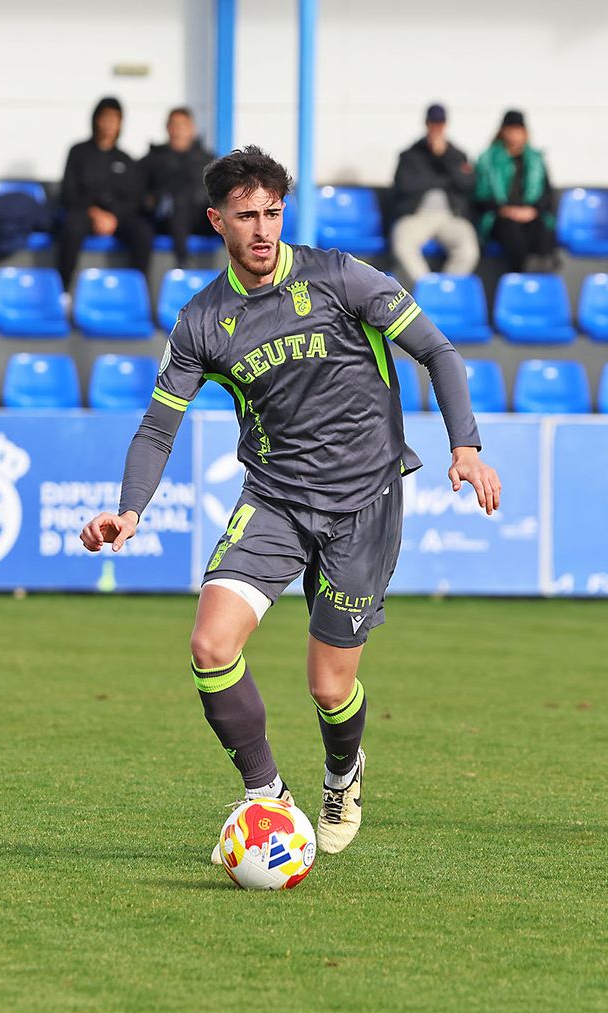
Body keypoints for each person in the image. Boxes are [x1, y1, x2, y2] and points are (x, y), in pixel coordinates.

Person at [77, 146, 499, 858]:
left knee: (329, 686)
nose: (264, 229)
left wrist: (466, 444)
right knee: (211, 644)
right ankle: (267, 796)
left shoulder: (339, 276)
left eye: (272, 212)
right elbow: (158, 424)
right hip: (275, 498)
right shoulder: (202, 322)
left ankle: (343, 771)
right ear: (218, 221)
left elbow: (439, 351)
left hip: (365, 500)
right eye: (247, 216)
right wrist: (131, 508)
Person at [56, 96, 153, 285]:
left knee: (143, 231)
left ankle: (137, 290)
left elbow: (133, 199)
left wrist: (114, 218)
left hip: (116, 218)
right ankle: (64, 290)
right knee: (71, 227)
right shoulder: (78, 152)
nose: (109, 124)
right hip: (85, 213)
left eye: (114, 119)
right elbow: (68, 193)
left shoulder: (126, 159)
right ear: (96, 120)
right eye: (105, 118)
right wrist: (94, 214)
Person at [390, 103, 478, 283]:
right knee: (402, 243)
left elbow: (467, 184)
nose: (437, 127)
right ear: (426, 123)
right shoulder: (411, 155)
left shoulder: (456, 155)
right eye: (433, 122)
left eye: (440, 123)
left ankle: (443, 291)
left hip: (450, 216)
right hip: (418, 215)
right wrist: (441, 180)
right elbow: (405, 186)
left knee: (468, 250)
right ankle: (426, 288)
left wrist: (443, 156)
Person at [474, 110, 557, 273]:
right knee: (510, 229)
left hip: (529, 214)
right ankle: (523, 273)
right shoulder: (489, 159)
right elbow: (480, 196)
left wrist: (531, 210)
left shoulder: (535, 160)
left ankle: (541, 271)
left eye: (518, 130)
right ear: (503, 131)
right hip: (500, 216)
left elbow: (547, 195)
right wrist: (504, 210)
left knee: (540, 227)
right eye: (510, 130)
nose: (514, 135)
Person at [141, 107, 213, 267]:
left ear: (192, 129)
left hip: (201, 218)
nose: (178, 131)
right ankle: (183, 264)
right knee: (180, 198)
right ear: (167, 128)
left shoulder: (208, 160)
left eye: (183, 126)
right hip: (165, 217)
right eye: (174, 125)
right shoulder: (152, 160)